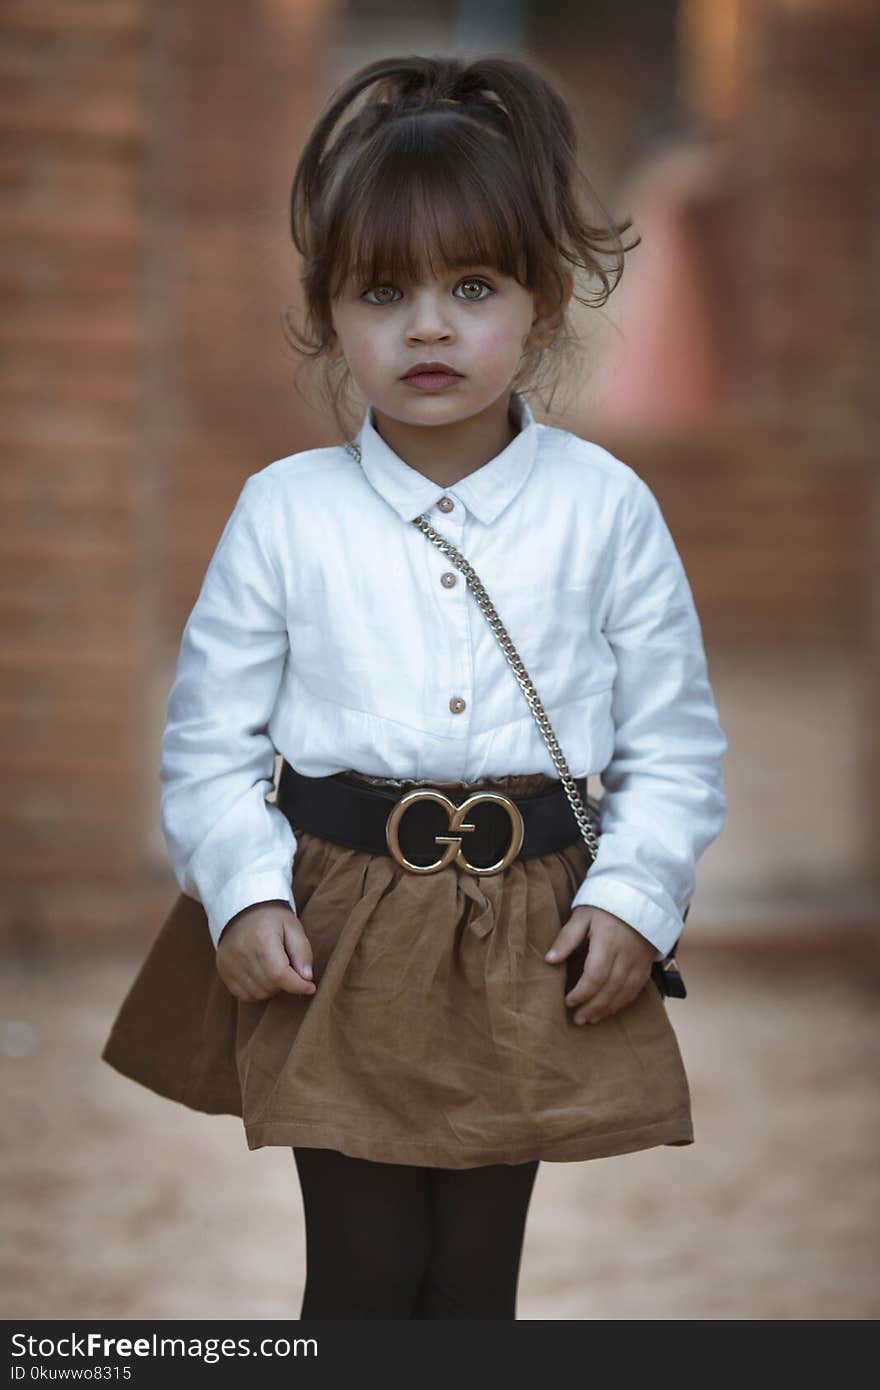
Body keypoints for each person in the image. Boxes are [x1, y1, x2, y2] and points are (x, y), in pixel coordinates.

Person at [102, 52, 729, 1321]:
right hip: (336, 934)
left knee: (470, 1279)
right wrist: (241, 889)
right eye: (384, 290)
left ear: (543, 307)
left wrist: (636, 896)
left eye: (473, 285)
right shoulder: (283, 513)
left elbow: (673, 745)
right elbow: (209, 741)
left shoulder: (607, 510)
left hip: (529, 935)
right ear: (331, 314)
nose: (428, 324)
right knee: (364, 1268)